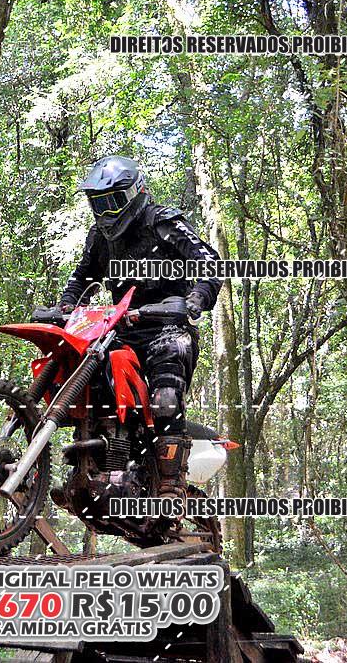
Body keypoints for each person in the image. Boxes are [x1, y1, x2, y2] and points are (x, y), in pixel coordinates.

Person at [58, 155, 222, 501]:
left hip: (167, 327)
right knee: (85, 383)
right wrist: (66, 306)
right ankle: (87, 465)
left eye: (112, 202)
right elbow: (82, 276)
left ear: (135, 193)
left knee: (165, 395)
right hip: (120, 331)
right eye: (98, 204)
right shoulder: (100, 238)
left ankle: (170, 486)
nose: (105, 212)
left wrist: (196, 298)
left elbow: (209, 262)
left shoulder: (163, 224)